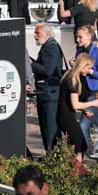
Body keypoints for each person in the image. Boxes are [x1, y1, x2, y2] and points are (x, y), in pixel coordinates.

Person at [56, 53, 98, 169]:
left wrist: (85, 110)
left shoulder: (71, 75)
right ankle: (76, 172)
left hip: (64, 116)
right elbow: (75, 105)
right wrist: (93, 103)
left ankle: (74, 170)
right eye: (89, 67)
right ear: (82, 65)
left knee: (75, 145)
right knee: (80, 145)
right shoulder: (73, 80)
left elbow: (69, 102)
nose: (89, 70)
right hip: (66, 118)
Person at [31, 24, 63, 153]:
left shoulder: (51, 47)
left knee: (50, 129)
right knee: (45, 127)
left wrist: (31, 63)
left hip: (50, 94)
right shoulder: (48, 46)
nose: (35, 36)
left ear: (47, 34)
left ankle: (52, 156)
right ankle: (50, 154)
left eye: (37, 33)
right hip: (46, 93)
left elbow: (47, 71)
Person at [73, 25, 98, 146]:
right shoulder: (79, 51)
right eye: (77, 37)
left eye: (80, 37)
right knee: (96, 123)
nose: (77, 40)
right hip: (84, 92)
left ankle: (87, 150)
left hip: (97, 92)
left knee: (83, 124)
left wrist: (90, 71)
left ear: (89, 37)